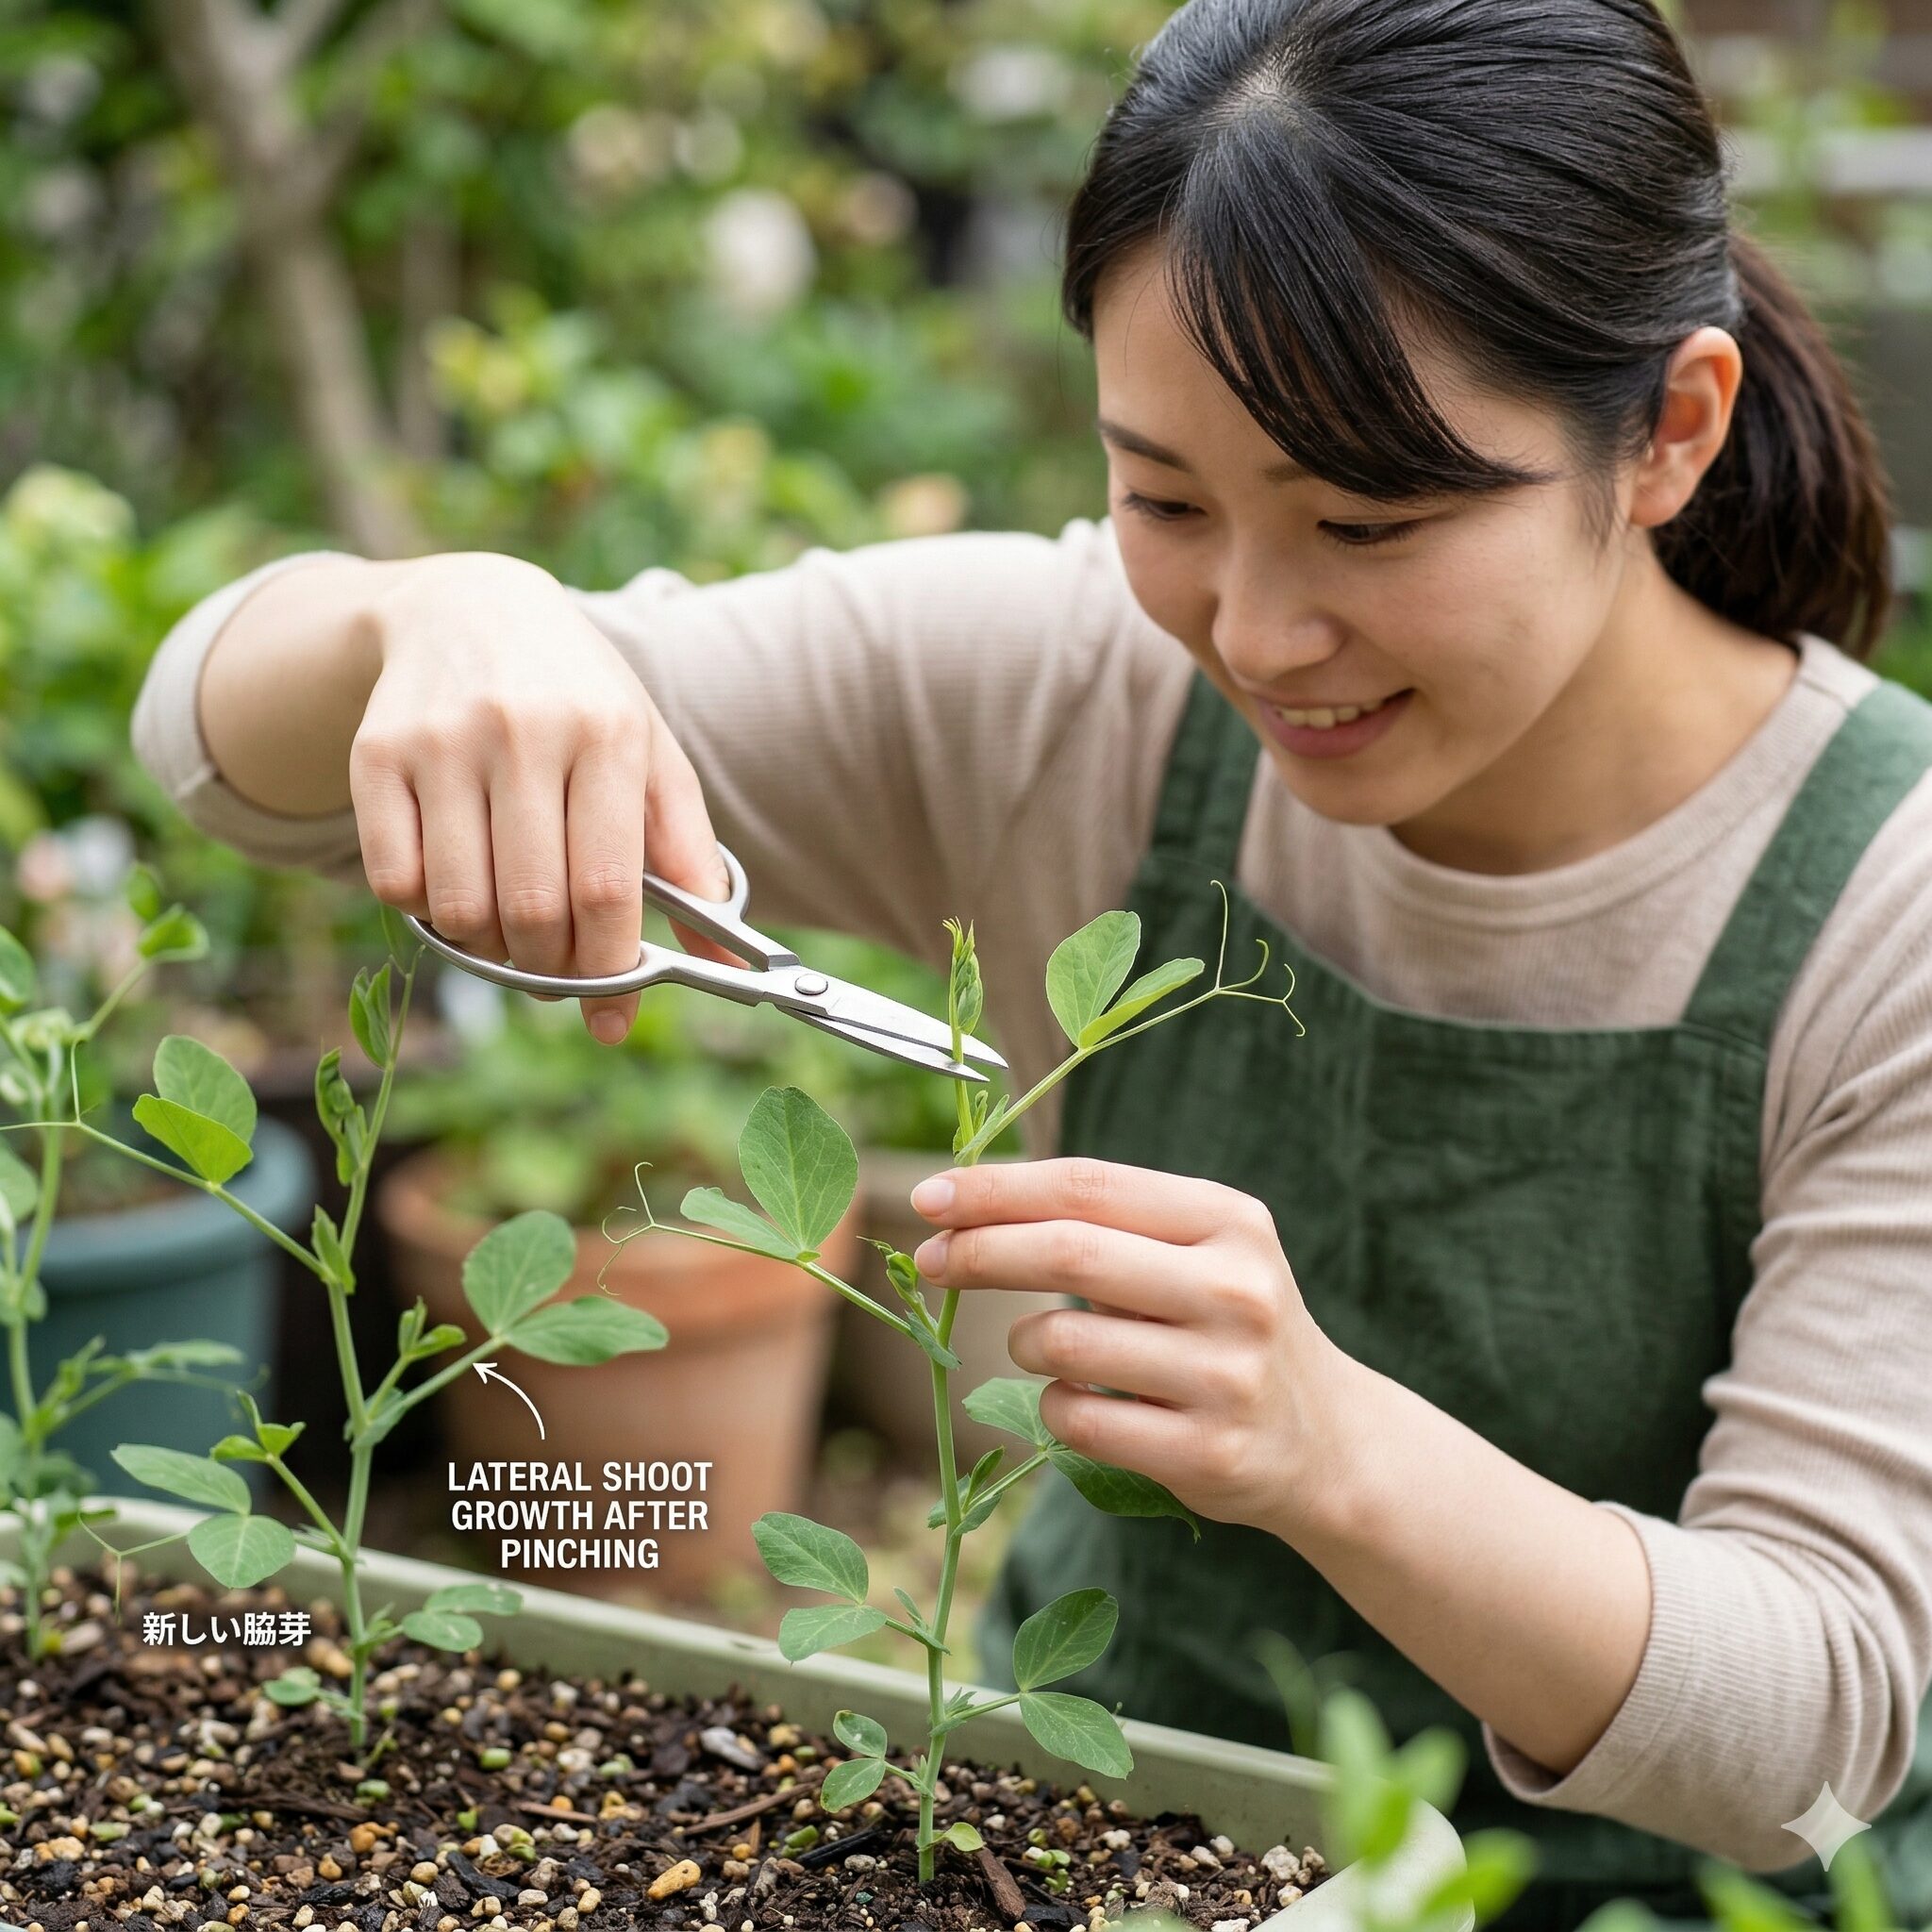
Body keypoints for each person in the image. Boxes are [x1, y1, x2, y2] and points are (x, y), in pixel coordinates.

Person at [129, 2, 1932, 1925]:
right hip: (1085, 1859)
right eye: (1164, 497)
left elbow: (1810, 1735)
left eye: (1366, 519)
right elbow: (221, 752)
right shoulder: (1074, 686)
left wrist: (1328, 1444)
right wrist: (448, 613)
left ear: (1667, 430)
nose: (1253, 630)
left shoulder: (1884, 906)